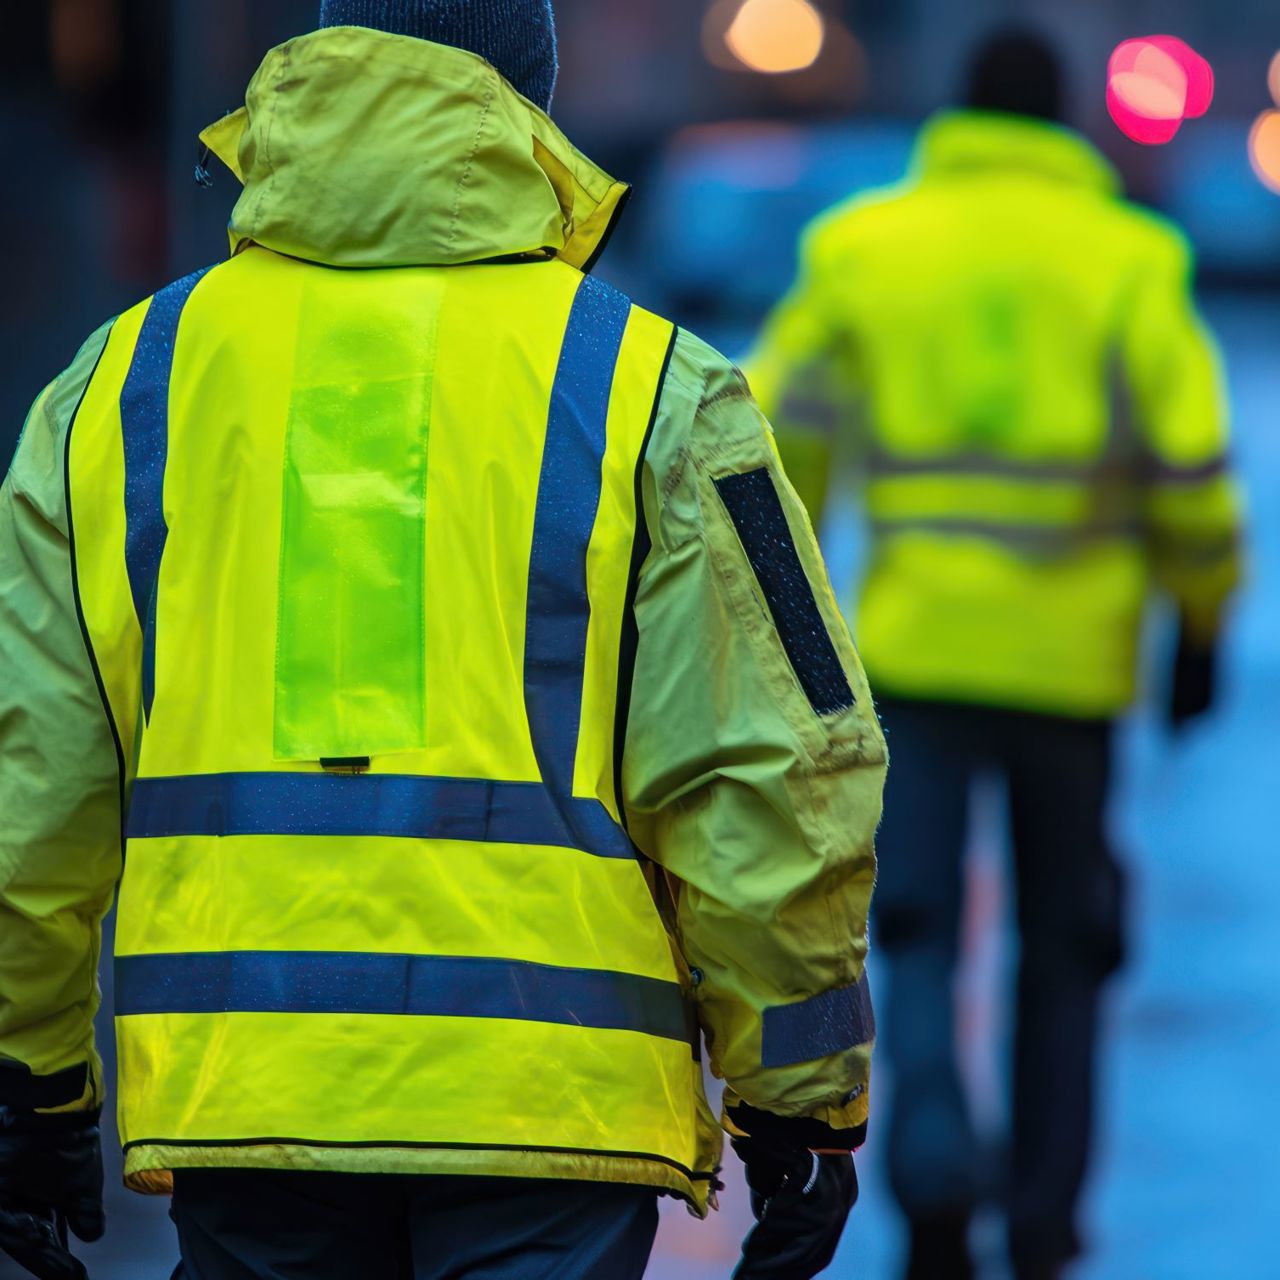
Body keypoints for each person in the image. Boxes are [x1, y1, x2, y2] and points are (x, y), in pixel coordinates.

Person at [0, 3, 887, 1278]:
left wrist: (26, 1084)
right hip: (549, 1111)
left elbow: (30, 778)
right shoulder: (652, 391)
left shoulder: (118, 389)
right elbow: (775, 769)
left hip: (246, 1095)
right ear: (529, 102)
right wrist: (800, 1098)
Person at [747, 27, 1244, 1280]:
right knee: (1064, 946)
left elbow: (768, 448)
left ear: (956, 115)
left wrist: (770, 624)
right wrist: (1197, 618)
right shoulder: (1129, 259)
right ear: (1066, 116)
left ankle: (929, 1169)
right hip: (1071, 675)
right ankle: (1040, 1214)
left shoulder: (863, 248)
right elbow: (1189, 469)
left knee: (913, 927)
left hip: (912, 659)